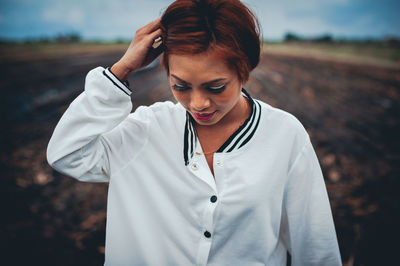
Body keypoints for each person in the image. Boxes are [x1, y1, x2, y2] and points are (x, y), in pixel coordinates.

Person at [47, 0, 342, 265]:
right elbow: (68, 154)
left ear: (245, 70)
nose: (199, 103)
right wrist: (122, 70)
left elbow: (316, 249)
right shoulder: (147, 130)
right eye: (181, 86)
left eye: (216, 87)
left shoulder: (285, 136)